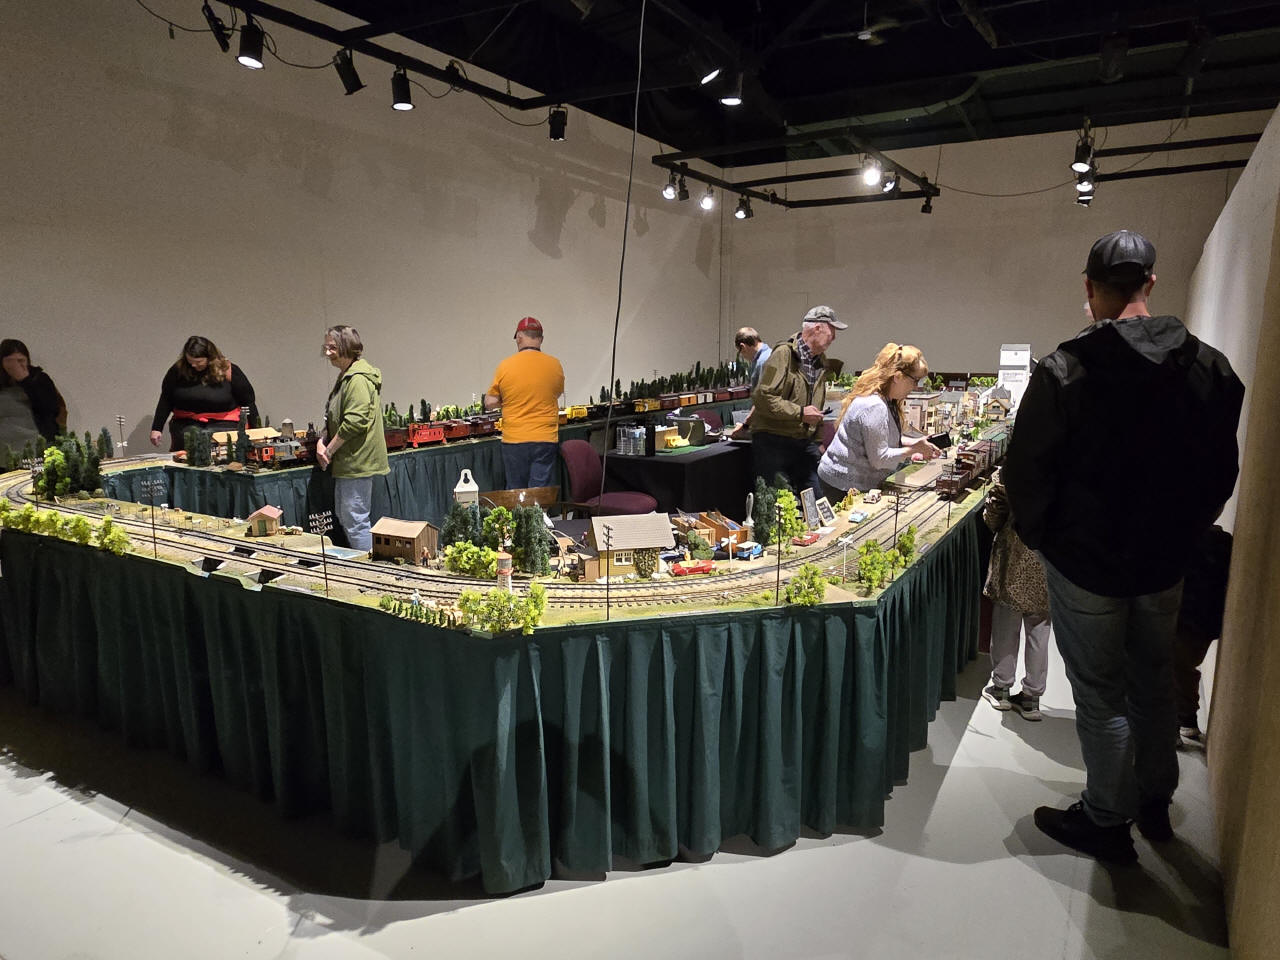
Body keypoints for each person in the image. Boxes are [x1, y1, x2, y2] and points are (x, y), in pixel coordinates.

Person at [1004, 229, 1244, 862]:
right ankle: (1155, 802)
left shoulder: (1065, 368)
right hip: (1165, 562)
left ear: (1090, 288)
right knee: (1153, 680)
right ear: (1152, 283)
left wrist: (1045, 540)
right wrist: (1186, 533)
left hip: (1085, 564)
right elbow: (1222, 471)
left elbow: (1026, 470)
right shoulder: (1210, 366)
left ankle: (1107, 820)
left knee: (1099, 693)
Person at [816, 342, 940, 504]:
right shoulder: (875, 406)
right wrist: (914, 449)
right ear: (897, 377)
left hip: (846, 480)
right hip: (841, 484)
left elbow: (881, 439)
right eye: (915, 380)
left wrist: (917, 442)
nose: (916, 387)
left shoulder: (886, 399)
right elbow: (879, 459)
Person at [750, 305, 846, 496]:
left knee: (815, 500)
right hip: (774, 443)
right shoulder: (783, 354)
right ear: (817, 328)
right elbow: (763, 397)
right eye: (832, 331)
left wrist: (817, 440)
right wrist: (800, 413)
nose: (834, 337)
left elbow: (817, 404)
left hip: (804, 443)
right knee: (779, 503)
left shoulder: (820, 361)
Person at [980, 467, 1051, 721]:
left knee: (1006, 625)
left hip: (1014, 554)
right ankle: (1032, 698)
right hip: (1048, 557)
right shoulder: (1066, 466)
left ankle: (1001, 688)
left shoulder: (1016, 468)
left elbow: (994, 514)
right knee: (1040, 627)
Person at [318, 325, 389, 552]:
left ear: (347, 347)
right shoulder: (347, 376)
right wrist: (321, 440)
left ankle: (367, 566)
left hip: (357, 460)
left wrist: (329, 450)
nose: (327, 352)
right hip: (349, 460)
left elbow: (355, 421)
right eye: (326, 347)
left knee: (355, 519)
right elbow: (334, 416)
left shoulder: (357, 379)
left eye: (333, 348)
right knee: (347, 515)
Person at [484, 316, 565, 489]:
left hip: (514, 439)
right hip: (545, 437)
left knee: (516, 492)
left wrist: (509, 402)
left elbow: (490, 402)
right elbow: (557, 393)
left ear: (519, 337)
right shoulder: (555, 365)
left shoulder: (505, 366)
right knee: (540, 493)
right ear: (541, 339)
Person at [1173, 525, 1232, 743]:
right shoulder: (1219, 542)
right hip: (1200, 621)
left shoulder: (1206, 543)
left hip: (1187, 618)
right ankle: (1184, 720)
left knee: (1174, 668)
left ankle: (1180, 722)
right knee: (1180, 668)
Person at [150, 335, 257, 451]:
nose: (193, 365)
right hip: (186, 425)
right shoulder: (177, 371)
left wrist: (256, 430)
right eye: (190, 361)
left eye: (198, 362)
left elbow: (248, 401)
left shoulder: (228, 370)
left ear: (210, 358)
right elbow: (166, 399)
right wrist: (157, 428)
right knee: (189, 442)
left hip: (224, 424)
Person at [0, 338, 66, 454]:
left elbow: (50, 409)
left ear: (27, 361)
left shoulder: (40, 379)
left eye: (21, 361)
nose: (16, 366)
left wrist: (25, 381)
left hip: (38, 445)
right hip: (5, 448)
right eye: (10, 361)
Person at [729, 327, 772, 436]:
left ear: (743, 347)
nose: (743, 356)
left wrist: (745, 426)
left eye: (740, 352)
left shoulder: (762, 362)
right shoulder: (771, 354)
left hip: (768, 428)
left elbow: (762, 400)